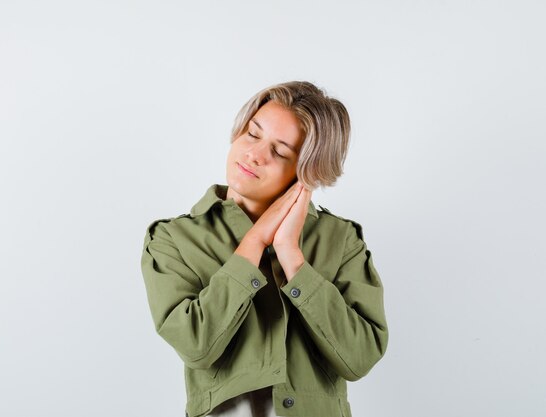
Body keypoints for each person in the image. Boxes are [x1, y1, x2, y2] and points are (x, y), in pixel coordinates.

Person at [141, 81, 389, 417]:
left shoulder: (340, 239)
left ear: (307, 172)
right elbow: (195, 345)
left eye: (281, 151)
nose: (254, 154)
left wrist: (292, 256)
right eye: (252, 134)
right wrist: (254, 243)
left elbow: (359, 359)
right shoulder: (173, 239)